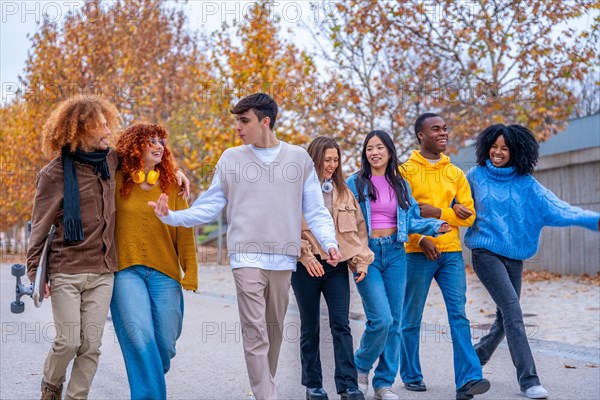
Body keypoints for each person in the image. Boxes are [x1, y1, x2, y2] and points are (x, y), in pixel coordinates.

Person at [148, 93, 340, 400]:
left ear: (265, 122)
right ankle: (267, 395)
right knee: (254, 332)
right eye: (237, 120)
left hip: (283, 258)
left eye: (244, 120)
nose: (238, 127)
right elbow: (209, 206)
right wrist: (172, 216)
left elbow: (315, 210)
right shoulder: (231, 159)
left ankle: (264, 386)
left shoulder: (298, 159)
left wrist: (328, 241)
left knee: (273, 333)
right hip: (245, 256)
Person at [464, 124, 600, 399]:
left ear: (517, 152)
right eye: (494, 146)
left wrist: (593, 220)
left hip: (514, 258)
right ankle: (529, 380)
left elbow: (559, 209)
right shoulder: (475, 176)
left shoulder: (527, 184)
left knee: (504, 317)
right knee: (514, 314)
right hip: (484, 253)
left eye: (505, 148)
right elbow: (452, 203)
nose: (498, 152)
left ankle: (476, 357)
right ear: (486, 146)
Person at [26, 95, 121, 400]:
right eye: (101, 125)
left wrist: (179, 173)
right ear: (82, 132)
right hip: (66, 270)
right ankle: (51, 386)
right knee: (69, 342)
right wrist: (34, 272)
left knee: (91, 345)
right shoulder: (52, 175)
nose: (108, 129)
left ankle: (75, 397)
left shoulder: (111, 161)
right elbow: (39, 226)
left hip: (103, 271)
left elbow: (151, 162)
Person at [346, 130, 450, 400]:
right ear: (364, 153)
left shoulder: (400, 184)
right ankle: (360, 366)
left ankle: (383, 383)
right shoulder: (354, 183)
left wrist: (434, 225)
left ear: (390, 152)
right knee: (381, 319)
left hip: (395, 253)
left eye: (380, 147)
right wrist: (352, 253)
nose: (375, 152)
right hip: (366, 256)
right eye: (369, 148)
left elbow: (412, 219)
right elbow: (343, 221)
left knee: (395, 322)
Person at [399, 113, 490, 400]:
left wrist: (437, 211)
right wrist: (421, 237)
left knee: (458, 315)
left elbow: (469, 215)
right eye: (436, 129)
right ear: (420, 135)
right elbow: (403, 215)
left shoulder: (455, 173)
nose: (443, 133)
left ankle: (469, 379)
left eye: (445, 129)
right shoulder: (405, 172)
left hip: (450, 252)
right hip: (415, 252)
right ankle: (411, 374)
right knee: (411, 317)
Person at [110, 123, 198, 400]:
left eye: (161, 141)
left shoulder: (172, 184)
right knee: (139, 338)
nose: (159, 145)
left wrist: (191, 270)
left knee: (165, 343)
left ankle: (148, 377)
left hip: (165, 271)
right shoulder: (116, 179)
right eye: (151, 141)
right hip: (126, 270)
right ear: (134, 147)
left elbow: (184, 229)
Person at [292, 136, 373, 400]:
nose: (332, 164)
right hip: (306, 267)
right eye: (327, 159)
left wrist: (360, 260)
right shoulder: (296, 188)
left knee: (341, 324)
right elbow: (285, 226)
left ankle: (349, 385)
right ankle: (313, 385)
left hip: (336, 266)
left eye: (335, 160)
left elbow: (359, 231)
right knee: (310, 325)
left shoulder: (343, 191)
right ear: (314, 159)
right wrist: (306, 256)